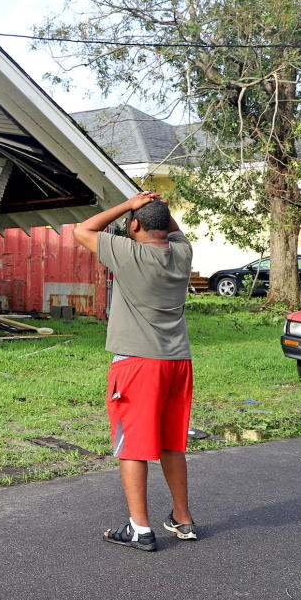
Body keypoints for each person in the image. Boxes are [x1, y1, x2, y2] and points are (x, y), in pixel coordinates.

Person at [73, 191, 198, 551]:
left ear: (135, 225)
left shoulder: (129, 252)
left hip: (138, 364)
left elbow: (83, 229)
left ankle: (140, 529)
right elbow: (171, 230)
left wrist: (130, 204)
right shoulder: (182, 253)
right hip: (178, 362)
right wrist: (155, 212)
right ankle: (183, 519)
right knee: (172, 443)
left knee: (134, 447)